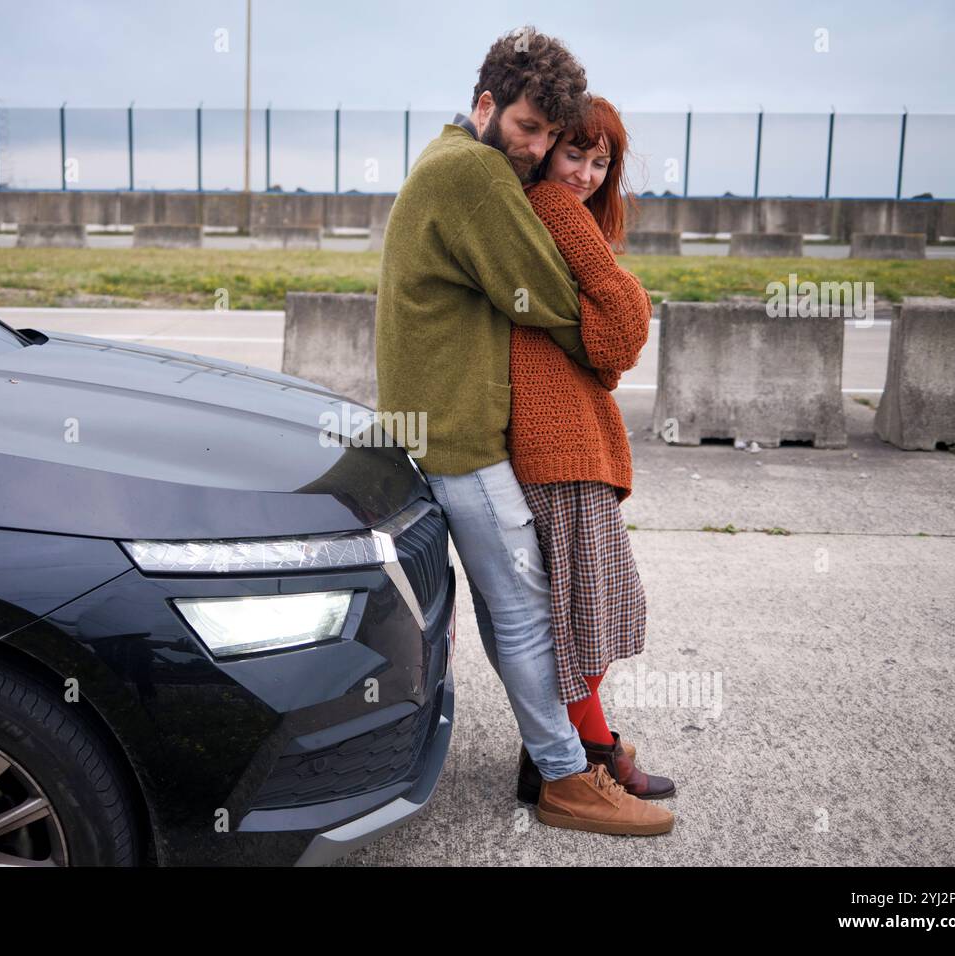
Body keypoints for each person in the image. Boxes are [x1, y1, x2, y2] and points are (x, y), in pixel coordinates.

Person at [375, 28, 672, 836]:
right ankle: (568, 781)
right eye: (529, 129)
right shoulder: (473, 173)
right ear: (485, 106)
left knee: (517, 608)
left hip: (444, 427)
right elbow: (552, 299)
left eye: (551, 135)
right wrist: (608, 340)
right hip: (462, 439)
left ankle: (565, 759)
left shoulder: (448, 156)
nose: (538, 151)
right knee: (528, 612)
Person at [508, 95, 677, 823]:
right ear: (547, 151)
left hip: (567, 437)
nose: (584, 173)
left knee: (590, 606)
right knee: (585, 611)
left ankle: (575, 745)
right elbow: (619, 333)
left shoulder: (548, 208)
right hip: (560, 443)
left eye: (600, 161)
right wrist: (621, 307)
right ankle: (587, 755)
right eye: (574, 153)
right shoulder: (551, 203)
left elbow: (604, 342)